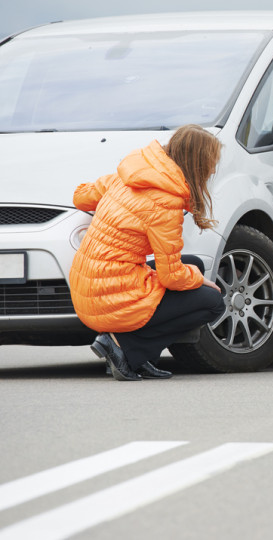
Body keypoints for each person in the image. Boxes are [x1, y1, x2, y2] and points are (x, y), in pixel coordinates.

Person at [69, 124, 226, 381]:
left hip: (87, 284)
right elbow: (171, 276)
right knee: (212, 301)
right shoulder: (166, 203)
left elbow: (80, 197)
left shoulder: (131, 174)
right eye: (211, 164)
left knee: (193, 262)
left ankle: (138, 357)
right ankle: (125, 348)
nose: (212, 171)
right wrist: (199, 278)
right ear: (198, 164)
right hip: (109, 296)